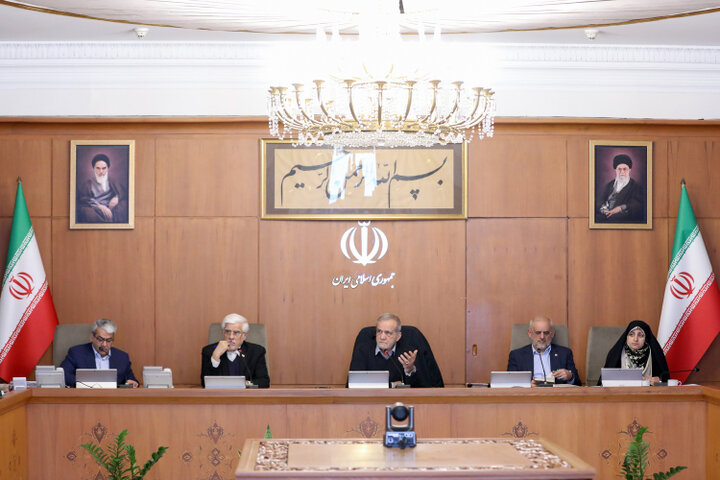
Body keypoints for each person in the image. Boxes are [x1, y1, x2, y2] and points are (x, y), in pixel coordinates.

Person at [348, 313, 444, 388]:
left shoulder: (409, 353)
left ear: (398, 336)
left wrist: (410, 370)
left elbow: (423, 387)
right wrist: (391, 386)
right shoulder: (363, 349)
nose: (382, 337)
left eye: (388, 333)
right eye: (379, 331)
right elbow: (354, 384)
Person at [60, 318, 138, 387]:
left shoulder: (122, 357)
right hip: (86, 396)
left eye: (108, 340)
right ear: (92, 337)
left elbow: (132, 380)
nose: (104, 344)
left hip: (113, 397)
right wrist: (84, 385)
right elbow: (63, 374)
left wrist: (131, 383)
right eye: (100, 339)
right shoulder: (77, 353)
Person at [507, 316, 581, 386]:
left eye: (546, 333)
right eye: (538, 332)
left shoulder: (565, 353)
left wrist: (570, 377)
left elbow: (578, 384)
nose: (542, 337)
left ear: (552, 334)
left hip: (556, 394)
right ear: (530, 333)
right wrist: (527, 386)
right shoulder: (516, 355)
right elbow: (510, 384)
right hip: (529, 394)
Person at [201, 313, 270, 388]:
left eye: (236, 333)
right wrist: (215, 357)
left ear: (244, 336)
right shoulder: (209, 351)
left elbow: (264, 382)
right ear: (223, 333)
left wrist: (244, 383)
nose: (231, 337)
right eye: (227, 332)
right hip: (220, 394)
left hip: (246, 394)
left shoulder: (256, 351)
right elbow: (205, 383)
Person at [600, 320, 669, 385]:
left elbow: (666, 380)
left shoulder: (655, 354)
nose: (635, 339)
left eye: (640, 335)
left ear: (646, 338)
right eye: (631, 334)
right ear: (627, 337)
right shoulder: (616, 354)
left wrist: (659, 380)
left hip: (649, 392)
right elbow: (605, 382)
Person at [77, 153, 128, 223]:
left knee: (124, 206)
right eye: (98, 168)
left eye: (104, 168)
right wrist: (100, 206)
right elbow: (84, 199)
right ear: (94, 169)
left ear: (107, 168)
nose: (101, 171)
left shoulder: (113, 181)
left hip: (112, 207)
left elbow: (122, 193)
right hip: (95, 208)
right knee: (86, 212)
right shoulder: (87, 184)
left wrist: (117, 198)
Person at [596, 153, 646, 223]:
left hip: (622, 217)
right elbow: (600, 201)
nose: (622, 172)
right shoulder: (610, 185)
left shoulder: (635, 186)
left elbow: (637, 205)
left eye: (625, 169)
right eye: (619, 169)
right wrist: (604, 210)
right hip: (605, 215)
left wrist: (620, 208)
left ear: (629, 170)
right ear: (615, 170)